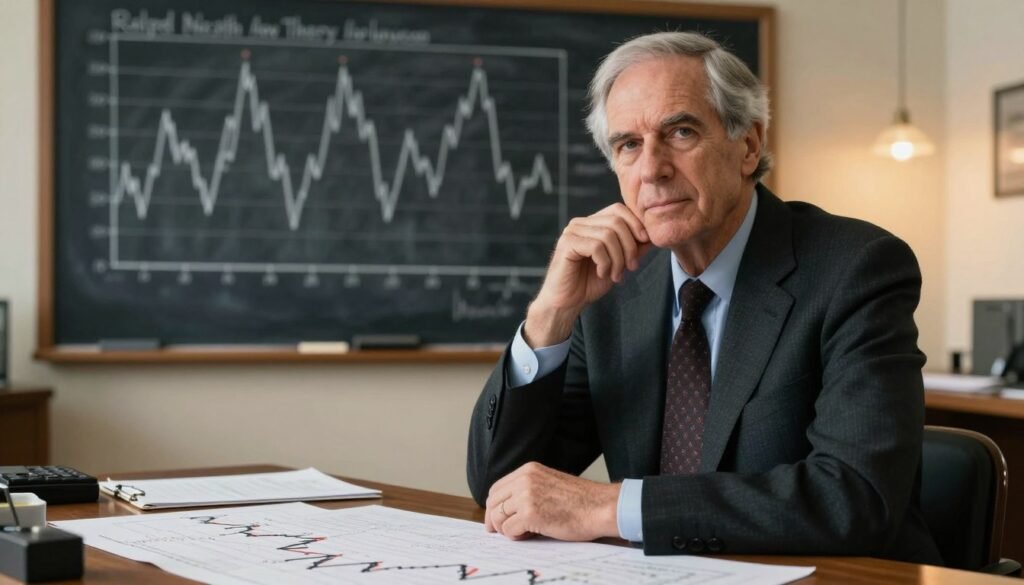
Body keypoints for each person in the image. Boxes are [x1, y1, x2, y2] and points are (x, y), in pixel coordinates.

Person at [466, 31, 941, 563]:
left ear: (749, 145)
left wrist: (610, 508)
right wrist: (550, 313)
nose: (652, 169)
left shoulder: (855, 268)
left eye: (681, 132)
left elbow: (855, 496)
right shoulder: (611, 294)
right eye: (628, 145)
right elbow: (499, 488)